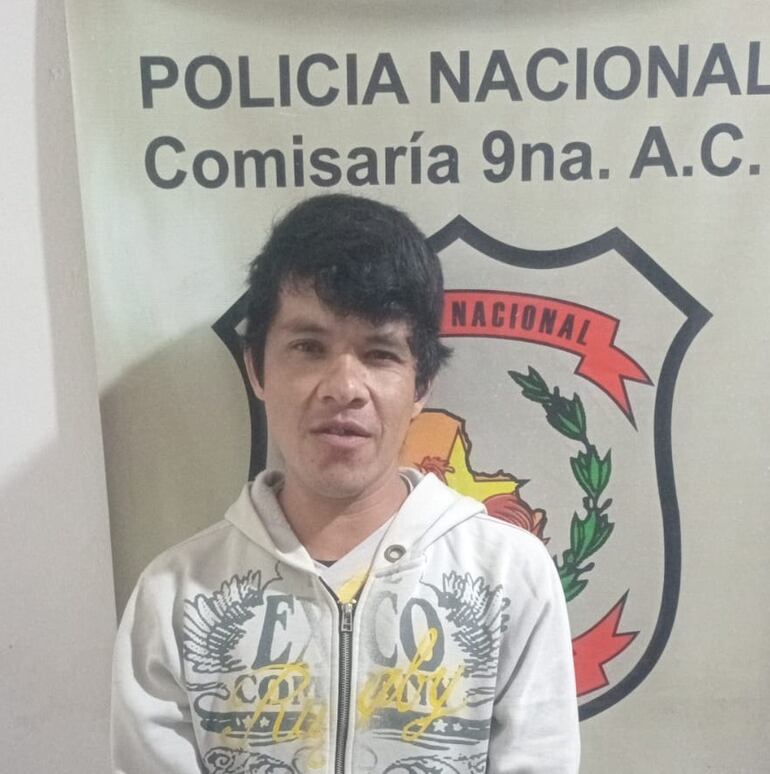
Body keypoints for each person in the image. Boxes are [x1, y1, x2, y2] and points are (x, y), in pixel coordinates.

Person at [111, 194, 580, 774]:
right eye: (309, 348)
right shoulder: (175, 595)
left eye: (380, 353)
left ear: (421, 384)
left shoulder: (509, 577)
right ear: (257, 367)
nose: (344, 388)